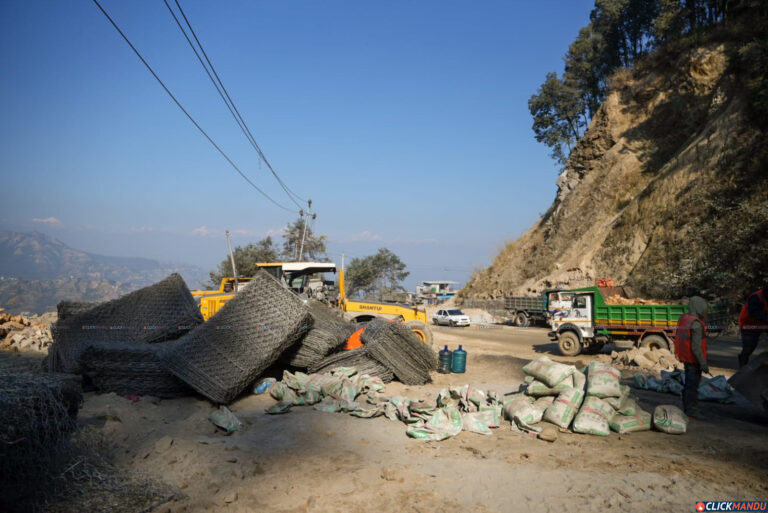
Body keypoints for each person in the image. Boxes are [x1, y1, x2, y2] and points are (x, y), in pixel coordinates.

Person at [674, 296, 709, 418]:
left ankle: (688, 407)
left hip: (686, 358)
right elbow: (696, 348)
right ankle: (691, 410)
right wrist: (703, 363)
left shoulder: (684, 318)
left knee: (688, 385)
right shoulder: (696, 324)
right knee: (692, 386)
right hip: (694, 360)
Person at [738, 284, 768, 368]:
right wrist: (766, 318)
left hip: (762, 324)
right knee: (749, 347)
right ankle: (742, 366)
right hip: (748, 325)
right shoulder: (756, 297)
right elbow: (753, 313)